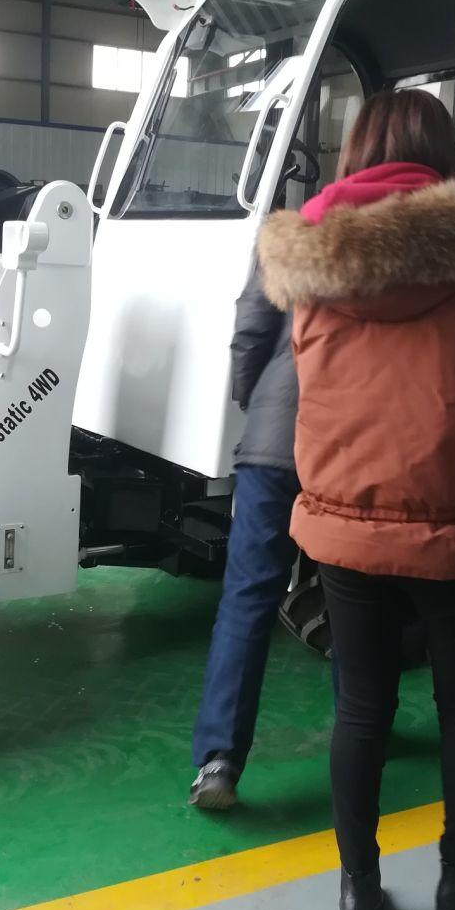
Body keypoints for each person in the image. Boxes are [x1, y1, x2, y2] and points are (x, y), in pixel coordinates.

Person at [258, 90, 455, 910]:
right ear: (444, 154)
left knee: (362, 708)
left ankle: (360, 891)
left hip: (347, 521)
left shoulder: (311, 269)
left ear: (355, 151)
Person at [188, 260, 302, 809]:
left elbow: (252, 328)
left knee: (248, 595)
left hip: (275, 439)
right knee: (359, 592)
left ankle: (220, 760)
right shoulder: (431, 239)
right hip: (360, 445)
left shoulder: (298, 230)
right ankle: (370, 734)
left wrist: (257, 402)